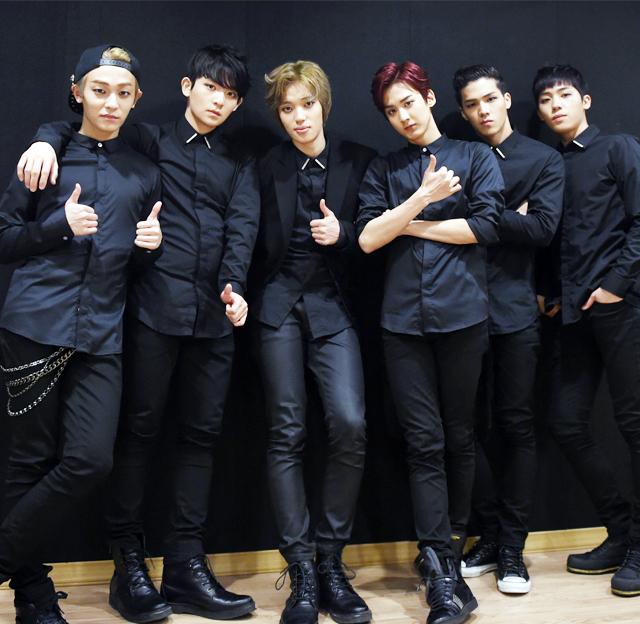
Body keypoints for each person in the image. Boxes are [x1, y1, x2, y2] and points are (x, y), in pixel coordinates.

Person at [17, 44, 259, 621]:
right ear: (187, 86)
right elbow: (85, 127)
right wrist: (45, 138)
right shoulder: (148, 140)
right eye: (211, 87)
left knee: (201, 438)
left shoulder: (239, 161)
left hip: (215, 319)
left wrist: (235, 285)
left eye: (230, 95)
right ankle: (127, 566)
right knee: (137, 437)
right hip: (149, 311)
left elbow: (242, 227)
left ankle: (186, 566)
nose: (218, 101)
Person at [0, 44, 163, 624]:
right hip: (34, 326)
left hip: (101, 335)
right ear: (77, 92)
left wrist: (148, 250)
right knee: (27, 462)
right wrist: (56, 227)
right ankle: (33, 597)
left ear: (136, 99)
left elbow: (133, 264)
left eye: (123, 93)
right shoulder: (45, 156)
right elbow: (4, 238)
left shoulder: (144, 172)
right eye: (99, 90)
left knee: (91, 461)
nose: (110, 102)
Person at [357, 60, 504, 624]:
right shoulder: (384, 168)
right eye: (391, 111)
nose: (403, 116)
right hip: (402, 325)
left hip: (463, 317)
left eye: (409, 103)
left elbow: (484, 227)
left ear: (430, 98)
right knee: (423, 442)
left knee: (459, 438)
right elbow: (368, 239)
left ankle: (453, 549)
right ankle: (438, 563)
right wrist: (421, 198)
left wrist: (407, 224)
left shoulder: (475, 157)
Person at [251, 60, 375, 624]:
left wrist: (343, 234)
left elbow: (378, 231)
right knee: (287, 431)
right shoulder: (265, 166)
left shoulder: (360, 160)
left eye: (306, 104)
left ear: (323, 103)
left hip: (335, 307)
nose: (299, 117)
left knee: (349, 423)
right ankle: (300, 567)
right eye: (287, 108)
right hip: (277, 305)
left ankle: (330, 562)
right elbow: (245, 234)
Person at [451, 64, 564, 594]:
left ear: (507, 99)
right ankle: (490, 533)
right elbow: (449, 221)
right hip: (458, 309)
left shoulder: (542, 159)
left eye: (489, 100)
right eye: (472, 104)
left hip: (517, 309)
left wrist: (484, 215)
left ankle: (514, 547)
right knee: (466, 430)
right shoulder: (458, 155)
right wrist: (505, 214)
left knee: (517, 426)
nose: (482, 111)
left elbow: (542, 228)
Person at [534, 64, 640, 597]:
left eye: (565, 95)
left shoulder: (619, 148)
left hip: (624, 307)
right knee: (565, 421)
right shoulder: (549, 165)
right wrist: (549, 293)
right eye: (546, 99)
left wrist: (617, 284)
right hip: (574, 314)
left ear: (586, 100)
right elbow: (555, 236)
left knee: (635, 425)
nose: (555, 105)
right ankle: (622, 531)